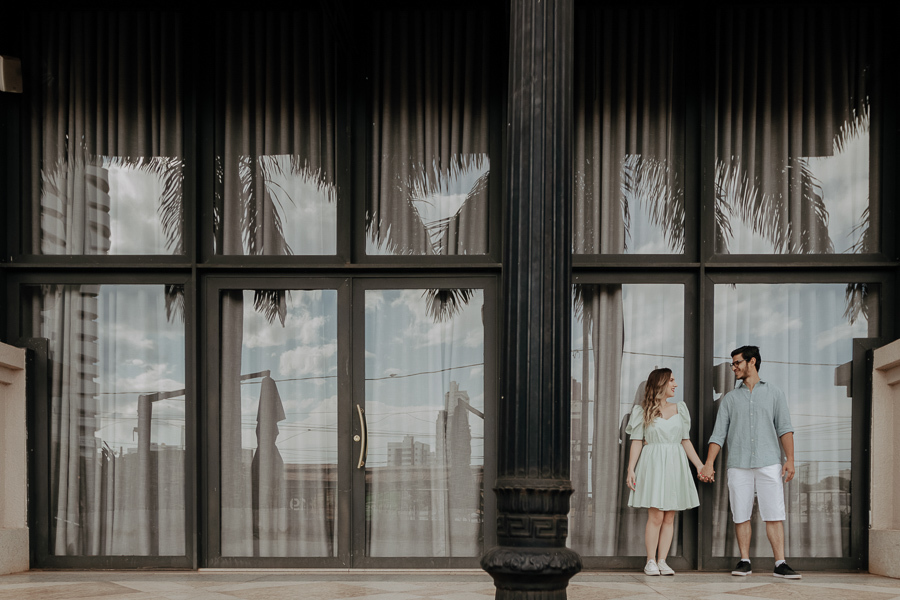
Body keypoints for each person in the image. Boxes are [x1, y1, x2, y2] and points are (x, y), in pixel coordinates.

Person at [699, 345, 801, 579]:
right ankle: (744, 560)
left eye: (737, 363)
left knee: (774, 513)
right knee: (741, 513)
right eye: (733, 363)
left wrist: (790, 460)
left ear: (752, 362)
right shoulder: (730, 399)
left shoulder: (775, 393)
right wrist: (709, 463)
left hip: (769, 463)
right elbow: (718, 435)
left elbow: (785, 428)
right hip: (738, 464)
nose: (733, 367)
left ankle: (780, 563)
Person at [626, 368, 705, 576]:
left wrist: (699, 465)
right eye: (671, 380)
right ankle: (650, 561)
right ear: (660, 383)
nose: (675, 384)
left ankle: (662, 560)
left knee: (670, 516)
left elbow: (685, 440)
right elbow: (636, 442)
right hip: (653, 463)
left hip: (675, 463)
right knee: (656, 516)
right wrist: (630, 469)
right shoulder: (642, 410)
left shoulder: (681, 409)